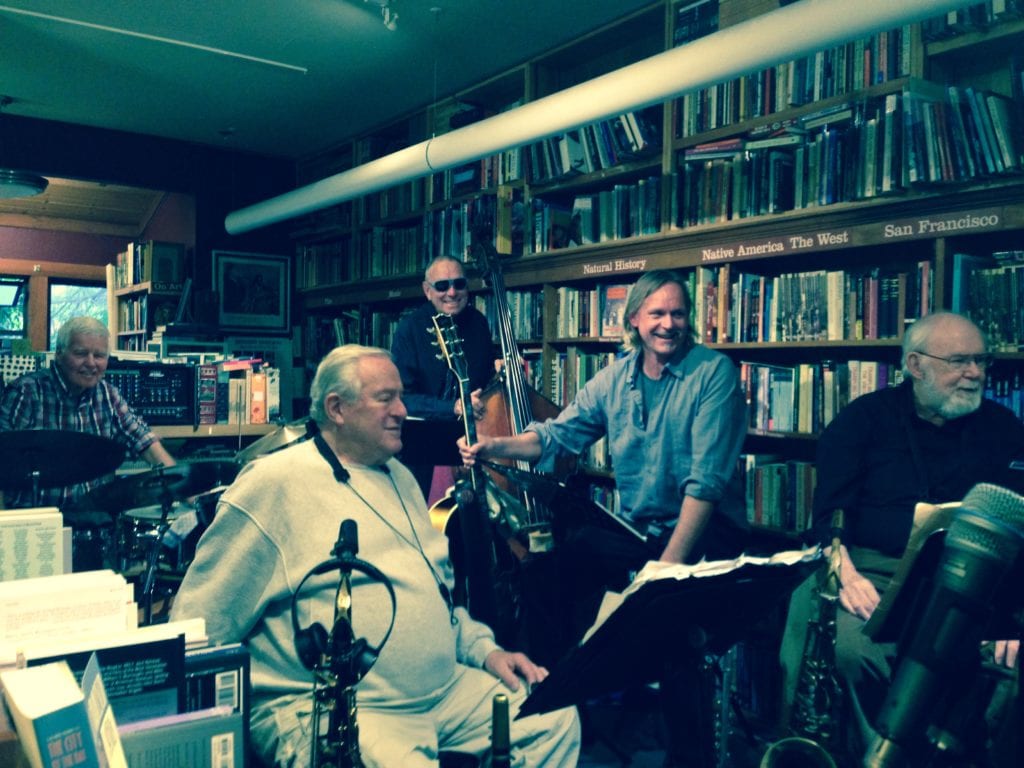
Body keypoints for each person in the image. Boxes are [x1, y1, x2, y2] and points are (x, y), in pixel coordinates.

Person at [170, 345, 580, 767]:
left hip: (442, 695)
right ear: (337, 408)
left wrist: (486, 651)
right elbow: (200, 625)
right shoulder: (273, 484)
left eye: (401, 396)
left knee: (552, 717)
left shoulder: (399, 475)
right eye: (385, 398)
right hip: (336, 708)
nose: (403, 410)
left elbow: (440, 600)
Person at [459, 269, 749, 767]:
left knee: (676, 623)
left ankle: (689, 757)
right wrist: (494, 444)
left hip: (705, 532)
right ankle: (564, 707)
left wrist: (666, 571)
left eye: (678, 313)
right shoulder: (616, 376)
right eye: (656, 313)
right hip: (640, 531)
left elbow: (705, 487)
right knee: (547, 572)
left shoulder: (713, 373)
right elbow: (555, 436)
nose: (668, 323)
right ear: (634, 320)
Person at [781, 310, 1024, 754]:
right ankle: (878, 758)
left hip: (977, 583)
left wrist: (1012, 617)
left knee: (1011, 666)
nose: (976, 373)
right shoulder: (862, 419)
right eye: (959, 362)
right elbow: (828, 518)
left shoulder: (1005, 429)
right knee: (851, 653)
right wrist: (846, 577)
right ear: (916, 365)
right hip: (871, 572)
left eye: (983, 361)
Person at [0, 316, 175, 509]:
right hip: (37, 523)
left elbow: (144, 441)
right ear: (59, 353)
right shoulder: (26, 392)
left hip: (93, 521)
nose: (91, 363)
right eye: (81, 353)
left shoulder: (108, 394)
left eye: (99, 355)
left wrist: (182, 485)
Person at [391, 256, 496, 500]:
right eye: (442, 286)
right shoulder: (410, 328)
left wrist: (498, 381)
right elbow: (402, 399)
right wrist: (452, 407)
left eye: (459, 284)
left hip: (474, 441)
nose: (452, 292)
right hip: (423, 446)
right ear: (427, 291)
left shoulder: (478, 323)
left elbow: (483, 380)